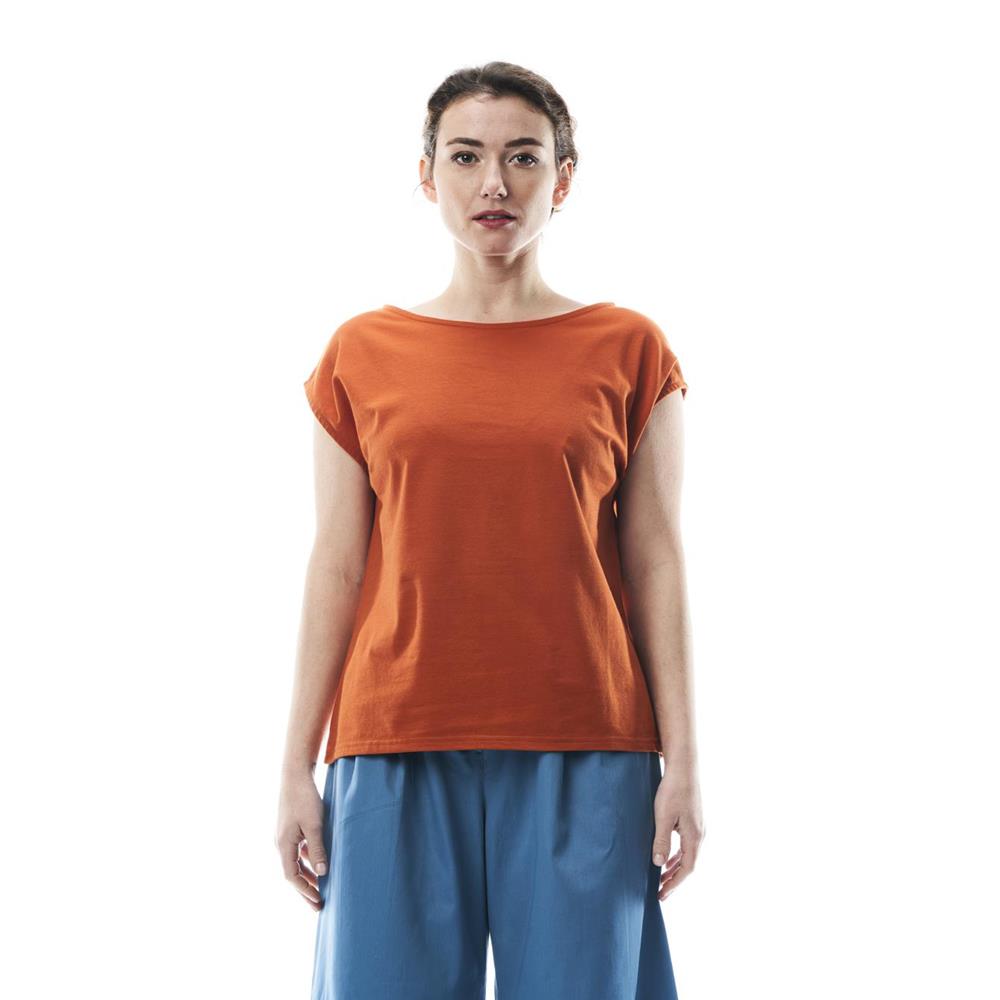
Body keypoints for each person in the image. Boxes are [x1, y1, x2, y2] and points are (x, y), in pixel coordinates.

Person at [275, 61, 705, 1000]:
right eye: (466, 157)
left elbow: (657, 563)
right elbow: (335, 566)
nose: (495, 183)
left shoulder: (631, 349)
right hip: (393, 736)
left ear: (564, 177)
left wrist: (684, 764)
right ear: (427, 177)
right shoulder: (359, 353)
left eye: (524, 157)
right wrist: (295, 767)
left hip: (586, 737)